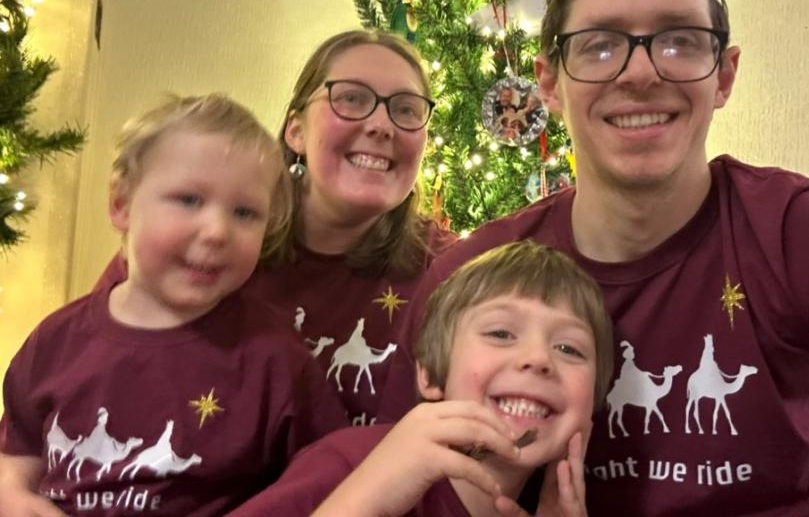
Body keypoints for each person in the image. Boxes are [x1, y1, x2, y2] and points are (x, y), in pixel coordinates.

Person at [380, 0, 809, 516]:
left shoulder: (798, 233)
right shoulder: (468, 282)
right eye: (599, 45)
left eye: (680, 41)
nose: (640, 74)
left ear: (723, 74)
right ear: (548, 84)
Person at [0, 94, 347, 517]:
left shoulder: (276, 359)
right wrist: (14, 497)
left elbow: (332, 476)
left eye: (245, 212)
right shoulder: (53, 342)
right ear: (121, 205)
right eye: (189, 200)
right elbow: (17, 458)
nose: (218, 231)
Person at [94, 30, 456, 427]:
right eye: (352, 98)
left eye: (406, 109)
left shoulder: (451, 272)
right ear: (296, 130)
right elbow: (85, 376)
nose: (382, 125)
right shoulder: (203, 244)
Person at [225, 241, 614, 517]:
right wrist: (366, 501)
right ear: (429, 373)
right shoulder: (353, 463)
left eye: (569, 349)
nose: (538, 359)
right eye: (500, 333)